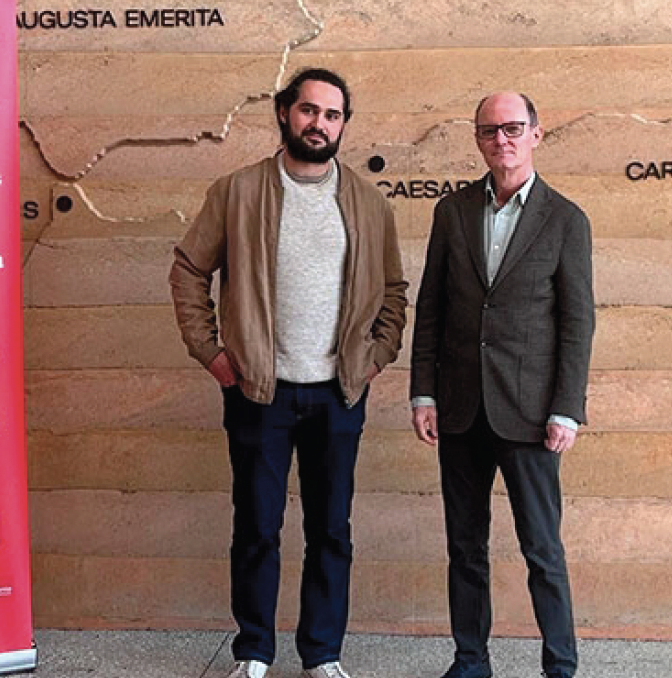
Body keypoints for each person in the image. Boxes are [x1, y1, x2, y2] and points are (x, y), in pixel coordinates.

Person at [170, 68, 408, 678]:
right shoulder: (238, 191)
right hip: (259, 391)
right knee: (257, 526)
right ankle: (253, 650)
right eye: (309, 110)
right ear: (284, 113)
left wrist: (376, 357)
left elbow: (392, 290)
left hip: (338, 393)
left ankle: (322, 654)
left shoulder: (367, 202)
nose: (319, 124)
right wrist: (212, 353)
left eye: (332, 115)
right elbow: (189, 270)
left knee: (331, 529)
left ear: (343, 125)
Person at [409, 92, 595, 678]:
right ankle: (470, 661)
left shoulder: (565, 219)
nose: (502, 140)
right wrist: (423, 392)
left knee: (542, 549)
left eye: (513, 128)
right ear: (478, 139)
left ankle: (559, 666)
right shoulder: (453, 211)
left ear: (536, 134)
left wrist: (567, 408)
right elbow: (431, 308)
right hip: (460, 408)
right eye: (490, 130)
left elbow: (577, 322)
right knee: (465, 548)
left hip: (531, 414)